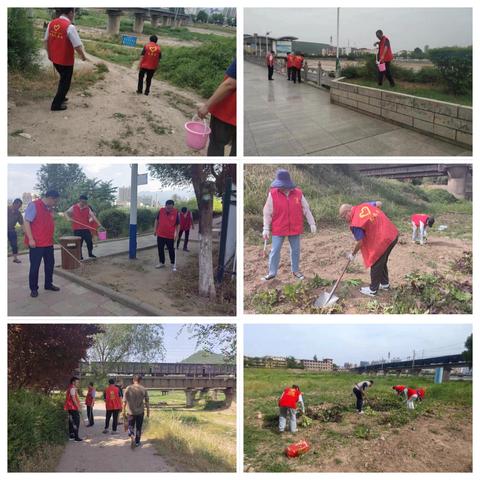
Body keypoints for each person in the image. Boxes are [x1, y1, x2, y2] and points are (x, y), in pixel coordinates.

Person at [262, 169, 316, 281]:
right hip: (279, 227)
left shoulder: (298, 193)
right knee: (275, 250)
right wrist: (266, 228)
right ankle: (272, 272)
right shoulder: (273, 194)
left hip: (295, 227)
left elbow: (306, 209)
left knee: (295, 250)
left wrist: (312, 223)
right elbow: (267, 212)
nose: (281, 187)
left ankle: (295, 271)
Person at [339, 202, 399, 296]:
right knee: (381, 261)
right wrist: (375, 222)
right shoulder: (364, 205)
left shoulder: (355, 223)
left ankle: (373, 290)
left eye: (343, 217)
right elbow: (379, 203)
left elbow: (360, 242)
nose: (345, 220)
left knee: (375, 261)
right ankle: (385, 284)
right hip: (392, 233)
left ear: (348, 212)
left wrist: (353, 254)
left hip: (383, 239)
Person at [44, 8, 87, 111]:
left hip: (54, 59)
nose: (74, 15)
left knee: (63, 79)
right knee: (65, 83)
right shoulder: (70, 27)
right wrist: (83, 56)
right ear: (70, 12)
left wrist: (49, 54)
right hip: (65, 61)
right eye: (74, 13)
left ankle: (62, 96)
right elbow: (77, 46)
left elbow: (46, 40)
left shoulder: (52, 23)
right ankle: (56, 105)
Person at [23, 190, 61, 298]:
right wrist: (31, 239)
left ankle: (48, 284)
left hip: (48, 242)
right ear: (50, 198)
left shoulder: (48, 208)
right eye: (55, 201)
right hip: (37, 243)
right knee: (35, 267)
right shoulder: (34, 205)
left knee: (50, 265)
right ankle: (34, 289)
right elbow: (26, 222)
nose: (55, 203)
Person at [197, 58, 236, 156]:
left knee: (216, 145)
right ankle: (231, 171)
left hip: (226, 111)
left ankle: (215, 168)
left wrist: (206, 106)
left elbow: (230, 84)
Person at [65, 195, 101, 260]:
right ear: (79, 200)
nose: (84, 204)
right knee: (79, 244)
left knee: (89, 242)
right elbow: (66, 213)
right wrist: (68, 218)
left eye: (85, 202)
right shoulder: (74, 207)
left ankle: (90, 254)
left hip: (86, 229)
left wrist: (99, 224)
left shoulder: (87, 208)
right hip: (77, 229)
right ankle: (80, 256)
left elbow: (93, 216)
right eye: (82, 202)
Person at [123, 375, 150, 449]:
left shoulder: (128, 388)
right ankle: (137, 442)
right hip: (140, 412)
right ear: (140, 380)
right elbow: (147, 402)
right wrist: (148, 412)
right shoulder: (143, 389)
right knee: (139, 427)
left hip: (130, 412)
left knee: (130, 426)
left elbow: (124, 402)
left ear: (133, 380)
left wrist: (123, 412)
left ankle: (132, 436)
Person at [154, 200, 179, 271]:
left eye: (170, 208)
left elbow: (178, 224)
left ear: (173, 206)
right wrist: (155, 230)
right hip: (161, 234)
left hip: (170, 235)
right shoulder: (161, 211)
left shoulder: (176, 212)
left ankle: (173, 263)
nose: (169, 209)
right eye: (168, 208)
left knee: (171, 250)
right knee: (160, 249)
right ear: (165, 206)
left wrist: (177, 234)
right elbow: (156, 220)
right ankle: (161, 262)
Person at [64, 376, 82, 441]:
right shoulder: (72, 389)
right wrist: (78, 407)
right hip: (73, 407)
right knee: (76, 421)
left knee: (71, 421)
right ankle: (76, 437)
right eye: (77, 382)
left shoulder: (71, 388)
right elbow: (74, 399)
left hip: (70, 407)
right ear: (73, 382)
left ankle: (71, 435)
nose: (78, 383)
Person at [8, 198, 24, 264]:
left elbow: (22, 223)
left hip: (11, 229)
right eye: (18, 206)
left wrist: (24, 231)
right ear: (14, 204)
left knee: (14, 244)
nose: (19, 207)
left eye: (20, 206)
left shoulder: (18, 213)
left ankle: (15, 258)